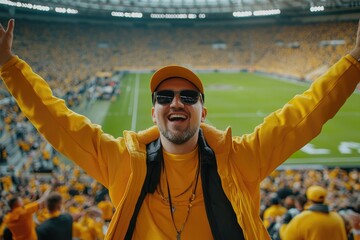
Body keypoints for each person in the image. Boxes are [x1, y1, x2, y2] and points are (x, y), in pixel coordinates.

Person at [0, 18, 360, 240]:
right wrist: (9, 67)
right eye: (164, 96)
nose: (176, 103)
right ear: (153, 110)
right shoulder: (122, 162)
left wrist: (353, 62)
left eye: (189, 96)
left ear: (204, 112)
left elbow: (302, 117)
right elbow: (59, 123)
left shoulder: (240, 159)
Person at [282, 185, 348, 239]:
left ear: (308, 199)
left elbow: (286, 237)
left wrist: (284, 225)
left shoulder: (301, 218)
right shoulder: (337, 218)